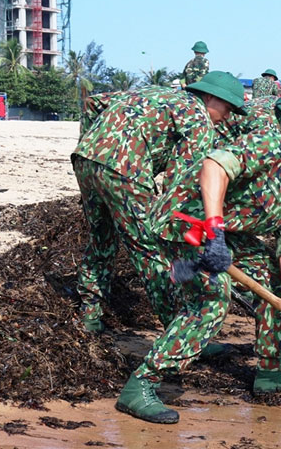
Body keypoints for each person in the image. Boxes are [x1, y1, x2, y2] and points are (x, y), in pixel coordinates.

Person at [116, 115, 281, 424]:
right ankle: (141, 385)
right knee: (212, 299)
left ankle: (272, 371)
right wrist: (215, 233)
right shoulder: (272, 147)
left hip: (227, 234)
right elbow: (213, 167)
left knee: (274, 277)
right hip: (184, 221)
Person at [72, 72, 246, 334]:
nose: (228, 116)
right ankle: (177, 331)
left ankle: (90, 314)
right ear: (209, 96)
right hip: (125, 169)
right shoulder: (198, 118)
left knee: (101, 237)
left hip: (86, 158)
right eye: (228, 108)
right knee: (150, 248)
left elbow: (93, 104)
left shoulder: (158, 93)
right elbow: (180, 182)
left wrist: (93, 143)